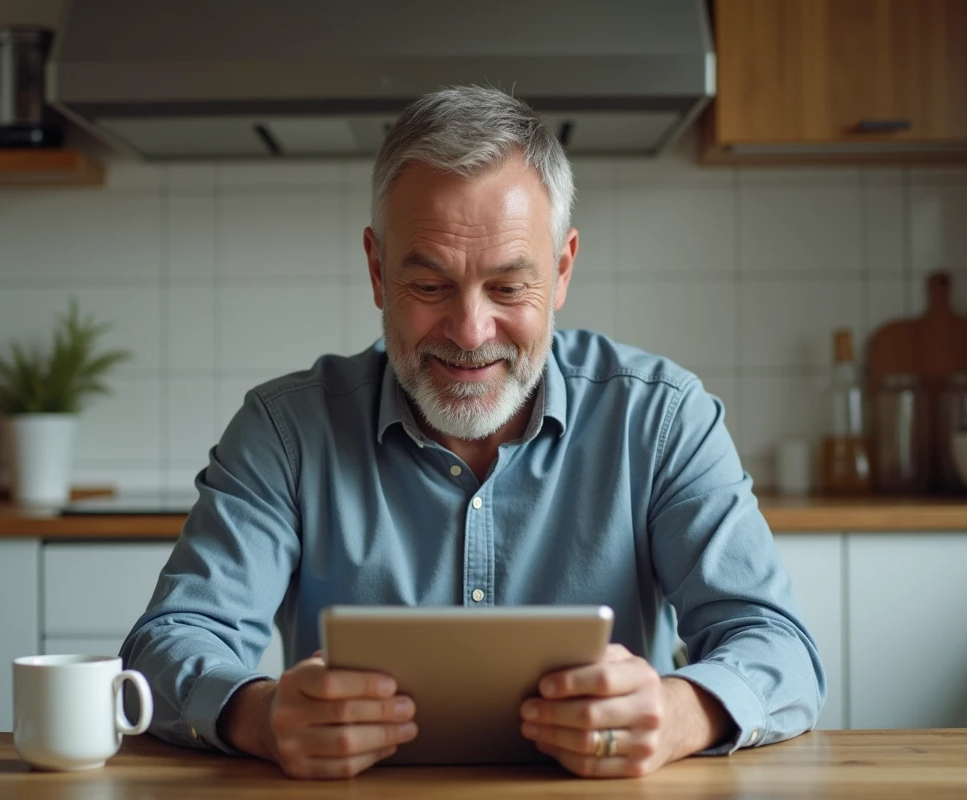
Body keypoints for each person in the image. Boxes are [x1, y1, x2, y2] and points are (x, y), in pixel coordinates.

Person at [120, 85, 825, 781]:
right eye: (430, 287)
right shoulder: (284, 432)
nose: (469, 331)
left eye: (509, 288)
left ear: (562, 270)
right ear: (377, 270)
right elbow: (165, 646)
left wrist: (678, 714)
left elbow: (779, 648)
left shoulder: (662, 419)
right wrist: (258, 715)